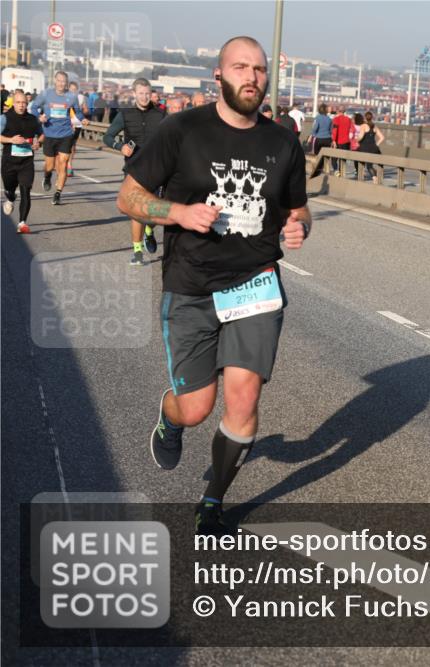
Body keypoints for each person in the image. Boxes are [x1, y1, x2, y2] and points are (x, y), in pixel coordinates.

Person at [116, 35, 312, 536]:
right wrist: (178, 212)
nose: (252, 77)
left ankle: (213, 500)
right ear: (219, 76)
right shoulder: (181, 130)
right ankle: (170, 415)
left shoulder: (283, 142)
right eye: (241, 67)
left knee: (245, 400)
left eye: (260, 70)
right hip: (191, 284)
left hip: (255, 283)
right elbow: (130, 198)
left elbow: (298, 206)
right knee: (198, 407)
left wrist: (300, 225)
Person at [103, 77, 167, 266]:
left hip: (156, 170)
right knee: (136, 211)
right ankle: (137, 251)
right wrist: (120, 146)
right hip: (133, 170)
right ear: (134, 94)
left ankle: (149, 230)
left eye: (147, 93)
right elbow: (107, 137)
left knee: (153, 214)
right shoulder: (125, 114)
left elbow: (171, 138)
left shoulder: (160, 115)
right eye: (141, 93)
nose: (145, 97)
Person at [30, 71, 87, 205]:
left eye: (64, 81)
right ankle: (47, 176)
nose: (61, 84)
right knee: (49, 166)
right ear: (54, 80)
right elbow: (34, 107)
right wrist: (39, 117)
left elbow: (77, 112)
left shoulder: (72, 97)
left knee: (63, 164)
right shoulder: (46, 94)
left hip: (66, 134)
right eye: (59, 80)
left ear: (67, 83)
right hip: (49, 134)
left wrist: (83, 119)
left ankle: (58, 193)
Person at [1, 90, 43, 234]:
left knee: (26, 190)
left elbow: (41, 134)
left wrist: (38, 142)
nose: (21, 105)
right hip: (9, 162)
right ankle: (11, 197)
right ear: (13, 103)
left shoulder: (32, 119)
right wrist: (11, 140)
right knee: (10, 188)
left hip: (26, 162)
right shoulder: (5, 118)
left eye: (24, 103)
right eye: (18, 102)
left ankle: (22, 223)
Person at [66, 81, 89, 177]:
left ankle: (69, 165)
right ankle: (63, 163)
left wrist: (84, 115)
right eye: (71, 90)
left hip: (77, 123)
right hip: (66, 123)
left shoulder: (80, 98)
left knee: (72, 145)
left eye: (75, 90)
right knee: (64, 144)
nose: (73, 92)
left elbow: (85, 110)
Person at [356, 111, 384, 180]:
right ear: (372, 118)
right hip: (373, 148)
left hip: (364, 148)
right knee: (369, 165)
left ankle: (370, 177)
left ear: (365, 118)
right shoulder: (375, 126)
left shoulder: (363, 126)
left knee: (359, 162)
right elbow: (382, 137)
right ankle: (374, 177)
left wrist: (355, 140)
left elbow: (361, 137)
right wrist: (376, 145)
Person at [332, 107, 354, 176]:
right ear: (344, 111)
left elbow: (335, 130)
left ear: (338, 111)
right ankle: (342, 171)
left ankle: (336, 170)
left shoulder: (336, 119)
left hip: (338, 141)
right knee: (343, 159)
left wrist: (334, 140)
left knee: (334, 158)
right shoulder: (349, 119)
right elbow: (352, 130)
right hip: (346, 142)